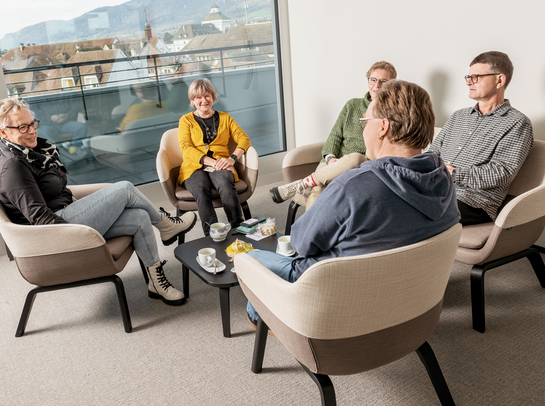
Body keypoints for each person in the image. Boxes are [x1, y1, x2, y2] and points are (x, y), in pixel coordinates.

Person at [246, 80, 461, 327]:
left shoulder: (355, 185)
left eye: (364, 122)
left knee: (251, 259)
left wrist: (328, 203)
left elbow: (301, 242)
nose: (362, 131)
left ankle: (266, 321)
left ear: (383, 127)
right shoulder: (442, 176)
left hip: (339, 308)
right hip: (409, 307)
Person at [0, 98, 197, 306]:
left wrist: (71, 199)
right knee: (125, 189)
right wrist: (80, 233)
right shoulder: (12, 165)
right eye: (22, 127)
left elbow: (47, 189)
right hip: (58, 231)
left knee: (139, 217)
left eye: (32, 124)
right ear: (3, 132)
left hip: (67, 212)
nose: (31, 131)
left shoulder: (33, 151)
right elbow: (41, 219)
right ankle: (165, 225)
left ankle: (156, 282)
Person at [269, 61, 397, 209]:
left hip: (360, 167)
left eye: (383, 81)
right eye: (373, 79)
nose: (377, 85)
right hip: (333, 163)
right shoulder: (352, 105)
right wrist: (330, 159)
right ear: (368, 81)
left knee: (356, 157)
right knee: (318, 187)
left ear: (392, 85)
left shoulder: (392, 114)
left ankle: (302, 183)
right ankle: (310, 228)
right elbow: (334, 138)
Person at [428, 51, 533, 225]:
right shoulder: (458, 117)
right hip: (432, 190)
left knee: (405, 213)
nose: (469, 82)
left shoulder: (517, 123)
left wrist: (454, 174)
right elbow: (433, 153)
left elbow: (502, 173)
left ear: (499, 80)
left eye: (476, 77)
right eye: (468, 77)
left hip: (472, 202)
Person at [177, 78, 251, 236]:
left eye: (207, 96)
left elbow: (244, 139)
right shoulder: (186, 121)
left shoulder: (225, 118)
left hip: (222, 164)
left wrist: (232, 159)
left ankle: (238, 227)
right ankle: (212, 234)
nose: (204, 100)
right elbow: (186, 147)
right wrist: (211, 161)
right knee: (200, 188)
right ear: (193, 101)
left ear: (213, 97)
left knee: (225, 181)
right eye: (198, 97)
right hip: (193, 166)